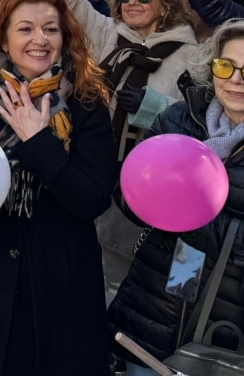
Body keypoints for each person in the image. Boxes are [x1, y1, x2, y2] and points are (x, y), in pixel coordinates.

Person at [0, 0, 116, 376]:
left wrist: (38, 141)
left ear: (65, 37)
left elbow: (92, 199)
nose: (40, 39)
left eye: (51, 29)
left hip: (63, 275)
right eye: (25, 28)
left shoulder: (86, 101)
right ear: (3, 39)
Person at [39, 0, 203, 303]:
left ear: (166, 5)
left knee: (151, 281)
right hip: (101, 170)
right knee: (101, 273)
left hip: (154, 185)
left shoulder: (191, 55)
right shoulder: (112, 36)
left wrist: (150, 107)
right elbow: (72, 4)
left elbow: (199, 121)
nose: (132, 2)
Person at [109, 20, 244, 375]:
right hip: (155, 302)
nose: (235, 79)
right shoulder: (179, 119)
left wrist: (201, 220)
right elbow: (131, 194)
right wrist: (148, 200)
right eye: (225, 66)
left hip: (226, 320)